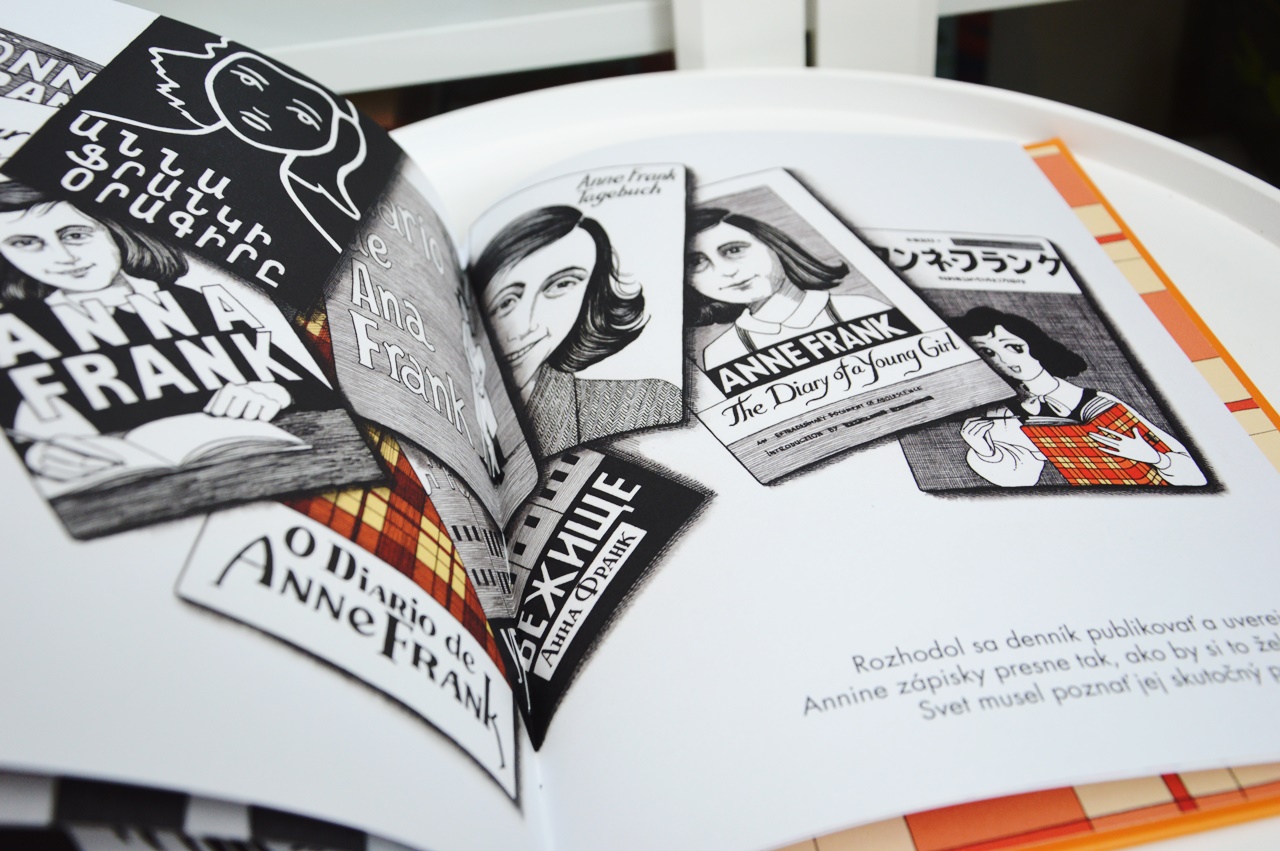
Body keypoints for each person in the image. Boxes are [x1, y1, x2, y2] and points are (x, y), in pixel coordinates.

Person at [0, 183, 323, 482]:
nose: (63, 258)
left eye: (75, 235)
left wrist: (278, 391)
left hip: (252, 470)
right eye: (25, 243)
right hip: (115, 492)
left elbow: (310, 383)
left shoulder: (193, 302)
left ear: (115, 230)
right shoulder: (16, 332)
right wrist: (33, 453)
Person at [471, 205, 680, 457]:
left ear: (590, 296)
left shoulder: (647, 405)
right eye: (507, 301)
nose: (526, 326)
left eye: (561, 285)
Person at [954, 307, 1205, 487]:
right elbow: (1021, 478)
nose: (1004, 360)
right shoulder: (1002, 414)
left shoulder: (1100, 403)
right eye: (988, 353)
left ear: (1036, 346)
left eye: (1014, 347)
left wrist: (1154, 457)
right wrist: (986, 451)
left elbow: (1194, 474)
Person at [686, 207, 888, 371]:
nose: (726, 271)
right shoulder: (720, 353)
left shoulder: (863, 309)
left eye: (734, 250)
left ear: (775, 246)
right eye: (696, 262)